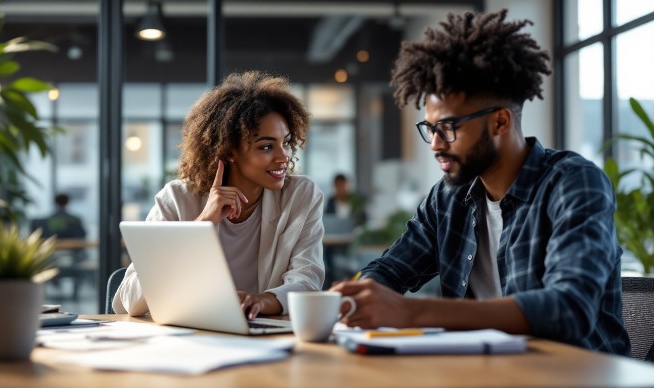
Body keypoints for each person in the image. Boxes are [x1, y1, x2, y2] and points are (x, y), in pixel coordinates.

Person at [331, 10, 629, 355]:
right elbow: (390, 269)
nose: (435, 144)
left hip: (577, 375)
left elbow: (569, 308)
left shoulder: (573, 183)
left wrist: (411, 311)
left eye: (448, 128)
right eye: (430, 128)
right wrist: (359, 295)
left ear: (500, 122)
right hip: (484, 371)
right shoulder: (448, 198)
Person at [113, 71, 325, 319]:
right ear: (230, 151)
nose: (284, 156)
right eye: (266, 146)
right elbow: (130, 300)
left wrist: (260, 301)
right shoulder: (177, 199)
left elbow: (307, 282)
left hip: (264, 335)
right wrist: (201, 225)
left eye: (286, 142)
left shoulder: (300, 196)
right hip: (189, 337)